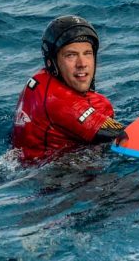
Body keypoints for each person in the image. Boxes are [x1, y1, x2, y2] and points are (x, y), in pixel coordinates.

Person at [11, 15, 125, 163]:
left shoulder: (39, 80)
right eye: (71, 55)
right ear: (52, 62)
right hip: (60, 177)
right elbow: (122, 135)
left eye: (87, 53)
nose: (82, 63)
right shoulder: (60, 101)